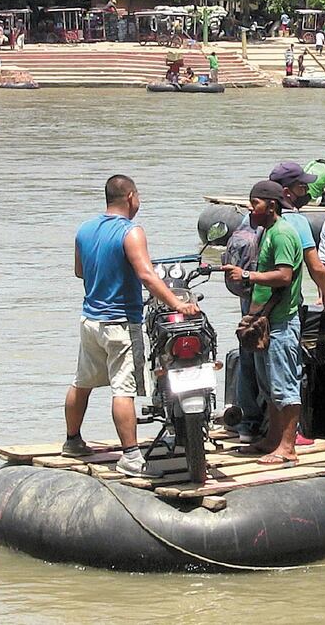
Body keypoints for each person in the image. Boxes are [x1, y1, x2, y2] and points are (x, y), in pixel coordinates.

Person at [62, 175, 200, 478]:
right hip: (121, 321)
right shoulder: (131, 231)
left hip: (91, 319)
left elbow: (78, 271)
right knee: (123, 389)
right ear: (131, 197)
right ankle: (131, 457)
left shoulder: (85, 229)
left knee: (82, 382)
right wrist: (177, 304)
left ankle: (73, 441)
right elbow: (148, 276)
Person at [223, 181, 304, 466]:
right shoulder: (267, 232)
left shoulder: (282, 234)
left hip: (281, 322)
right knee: (269, 385)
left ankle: (287, 447)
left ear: (271, 205)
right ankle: (272, 439)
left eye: (254, 203)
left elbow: (284, 276)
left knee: (285, 385)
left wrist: (247, 276)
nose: (250, 208)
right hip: (267, 321)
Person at [268, 161, 325, 309]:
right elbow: (316, 267)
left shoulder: (252, 218)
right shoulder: (297, 222)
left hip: (253, 303)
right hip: (285, 308)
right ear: (287, 192)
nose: (307, 190)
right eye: (302, 187)